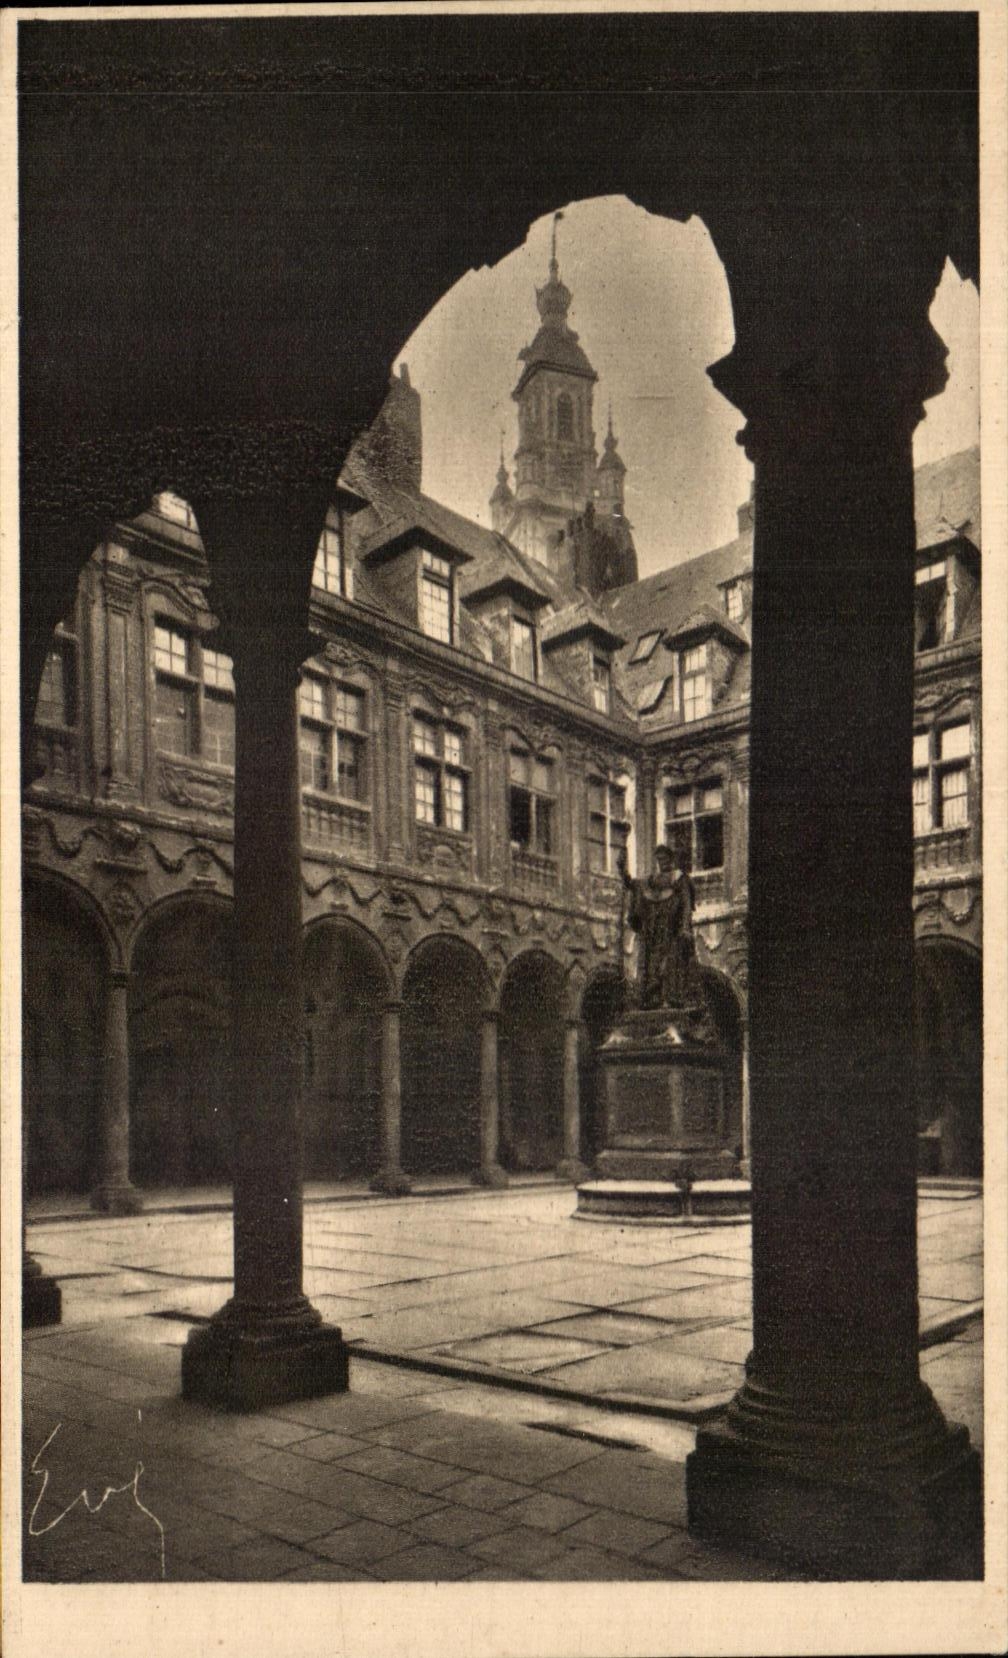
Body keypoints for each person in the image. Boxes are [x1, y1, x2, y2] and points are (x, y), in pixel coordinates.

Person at [617, 844, 702, 1010]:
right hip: (653, 932)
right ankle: (651, 1001)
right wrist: (622, 869)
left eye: (664, 859)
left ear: (671, 859)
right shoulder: (651, 880)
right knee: (651, 968)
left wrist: (684, 927)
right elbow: (633, 885)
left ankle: (670, 1000)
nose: (662, 862)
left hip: (672, 932)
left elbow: (685, 905)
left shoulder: (679, 878)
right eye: (659, 859)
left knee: (669, 966)